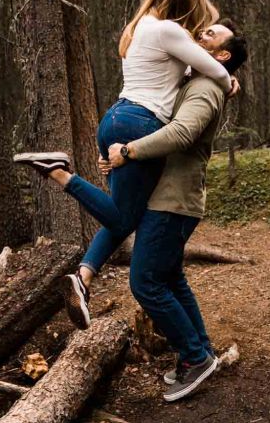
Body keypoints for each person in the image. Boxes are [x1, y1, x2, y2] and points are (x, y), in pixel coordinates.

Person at [13, 0, 236, 328]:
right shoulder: (169, 30)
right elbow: (218, 73)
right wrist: (229, 82)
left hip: (115, 118)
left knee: (124, 213)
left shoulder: (140, 27)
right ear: (185, 2)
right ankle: (60, 173)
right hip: (141, 124)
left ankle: (84, 277)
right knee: (123, 218)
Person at [106, 24, 248, 403]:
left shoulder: (204, 88)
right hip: (173, 197)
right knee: (170, 277)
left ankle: (194, 358)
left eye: (211, 35)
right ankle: (201, 350)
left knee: (145, 281)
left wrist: (129, 151)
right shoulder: (199, 79)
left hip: (173, 200)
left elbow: (182, 133)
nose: (200, 34)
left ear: (222, 57)